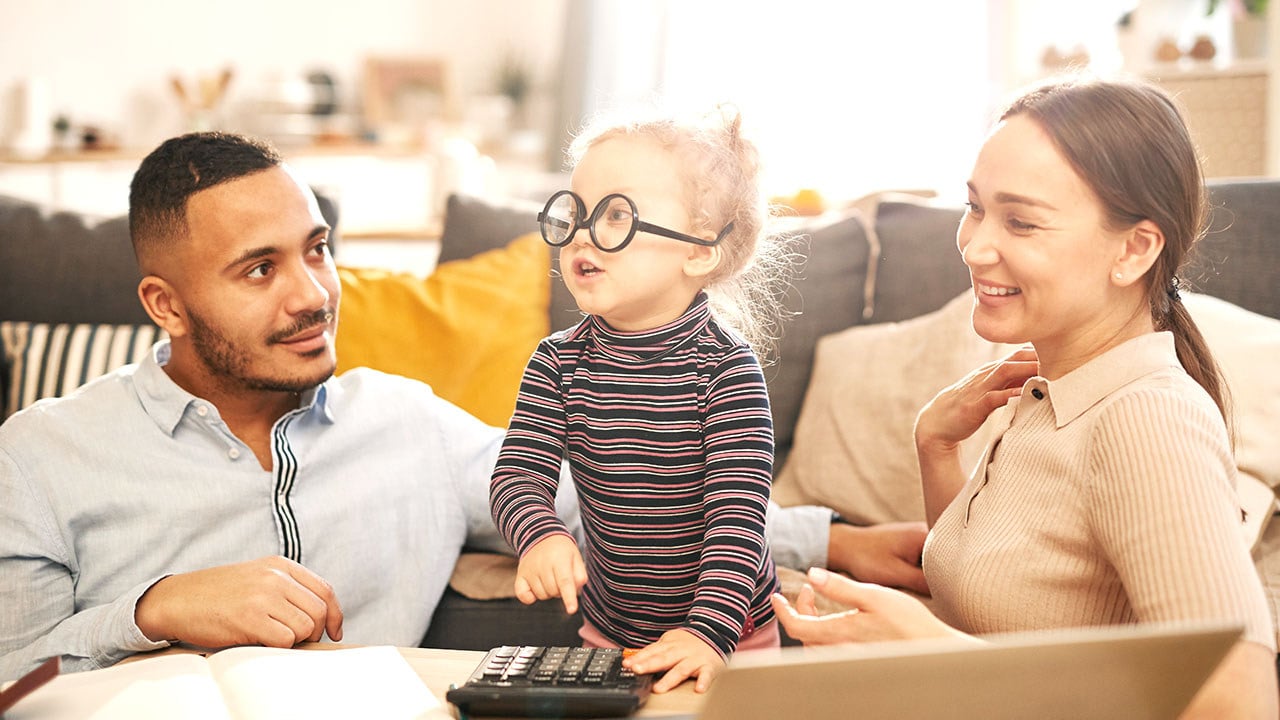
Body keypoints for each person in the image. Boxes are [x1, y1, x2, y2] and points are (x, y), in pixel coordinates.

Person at [0, 130, 924, 683]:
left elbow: (617, 501)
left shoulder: (407, 423)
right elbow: (10, 670)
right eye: (260, 270)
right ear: (165, 305)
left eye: (317, 250)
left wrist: (829, 540)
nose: (315, 294)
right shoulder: (44, 453)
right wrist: (154, 609)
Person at [772, 77, 1278, 717]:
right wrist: (935, 447)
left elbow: (1237, 704)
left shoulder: (1149, 417)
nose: (975, 245)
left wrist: (928, 651)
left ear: (1134, 249)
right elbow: (1002, 590)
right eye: (975, 207)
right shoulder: (1050, 389)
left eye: (1021, 222)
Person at [489, 108, 795, 693]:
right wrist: (541, 534)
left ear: (700, 250)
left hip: (735, 638)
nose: (581, 234)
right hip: (611, 631)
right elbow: (517, 478)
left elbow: (737, 519)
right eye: (575, 212)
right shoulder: (557, 363)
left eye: (616, 215)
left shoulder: (727, 369)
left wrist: (709, 633)